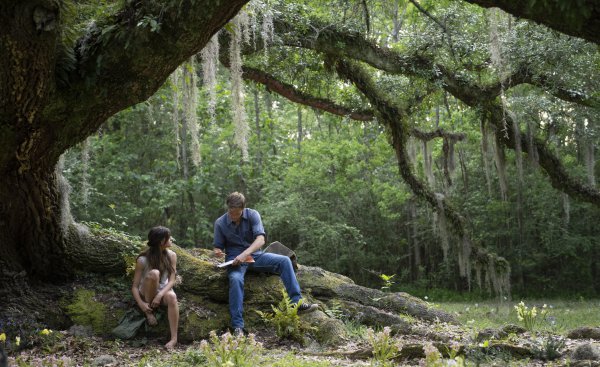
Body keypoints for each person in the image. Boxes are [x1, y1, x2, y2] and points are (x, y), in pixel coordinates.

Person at [214, 192, 318, 335]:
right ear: (228, 208)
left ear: (243, 209)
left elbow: (261, 240)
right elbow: (217, 246)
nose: (233, 216)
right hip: (235, 261)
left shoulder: (252, 215)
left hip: (255, 256)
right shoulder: (220, 223)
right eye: (231, 213)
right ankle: (237, 326)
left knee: (285, 261)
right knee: (235, 279)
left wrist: (246, 253)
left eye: (237, 214)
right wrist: (218, 251)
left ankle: (296, 302)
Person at [131, 226, 179, 349]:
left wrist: (160, 295)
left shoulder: (172, 255)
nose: (171, 239)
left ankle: (174, 339)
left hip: (162, 290)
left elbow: (172, 280)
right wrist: (141, 304)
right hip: (146, 291)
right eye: (169, 238)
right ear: (162, 241)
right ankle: (149, 313)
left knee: (173, 297)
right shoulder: (142, 260)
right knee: (154, 273)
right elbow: (135, 287)